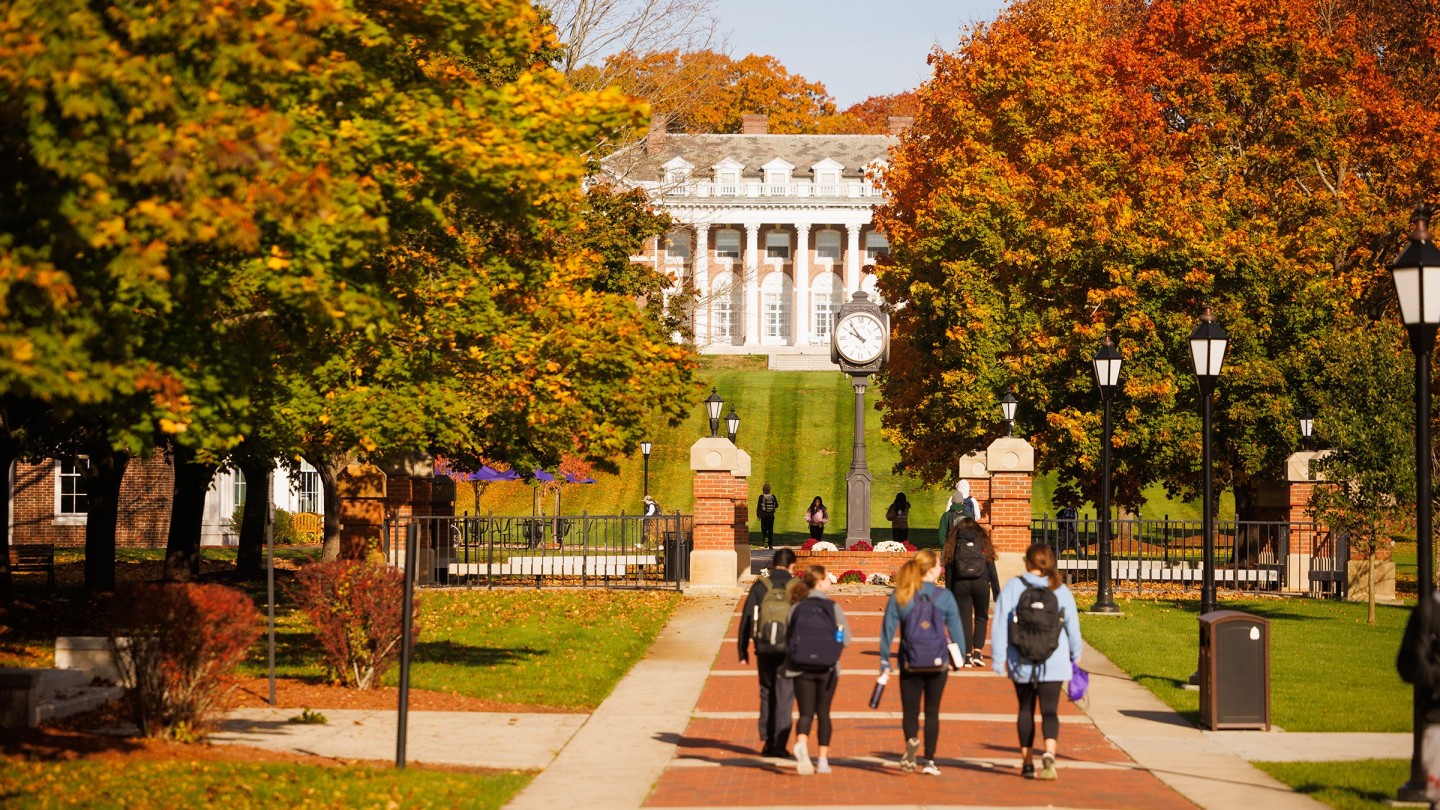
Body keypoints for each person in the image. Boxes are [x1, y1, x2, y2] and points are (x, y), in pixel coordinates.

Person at [991, 542, 1084, 781]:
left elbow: (1001, 623)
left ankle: (1026, 762)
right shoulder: (1060, 589)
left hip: (1020, 660)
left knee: (1025, 710)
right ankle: (1050, 752)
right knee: (1050, 710)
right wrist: (1075, 654)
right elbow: (1072, 626)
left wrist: (999, 658)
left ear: (1027, 562)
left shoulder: (1013, 587)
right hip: (1055, 659)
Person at [878, 549, 967, 776]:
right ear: (932, 569)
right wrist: (959, 658)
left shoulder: (903, 593)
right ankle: (929, 760)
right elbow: (957, 631)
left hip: (910, 660)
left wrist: (884, 660)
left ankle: (911, 740)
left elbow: (888, 628)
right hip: (937, 662)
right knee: (932, 711)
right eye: (939, 565)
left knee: (910, 710)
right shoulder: (944, 597)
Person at [780, 564, 850, 774]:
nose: (830, 581)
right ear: (819, 582)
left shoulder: (796, 607)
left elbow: (788, 636)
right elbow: (845, 638)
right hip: (828, 667)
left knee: (805, 712)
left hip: (801, 666)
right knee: (824, 713)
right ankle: (822, 760)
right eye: (828, 578)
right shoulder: (833, 607)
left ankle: (801, 744)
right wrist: (834, 644)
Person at [739, 548, 799, 758]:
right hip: (788, 649)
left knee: (766, 691)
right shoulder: (797, 587)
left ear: (773, 564)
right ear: (792, 566)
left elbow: (747, 617)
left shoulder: (760, 586)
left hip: (763, 646)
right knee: (785, 694)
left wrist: (742, 650)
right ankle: (779, 744)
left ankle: (766, 740)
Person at [943, 517, 1001, 666]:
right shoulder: (982, 539)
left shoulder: (955, 541)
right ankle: (978, 652)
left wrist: (948, 592)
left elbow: (949, 568)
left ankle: (967, 655)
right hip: (981, 582)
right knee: (981, 617)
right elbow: (991, 567)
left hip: (960, 584)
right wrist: (996, 592)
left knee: (965, 620)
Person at [938, 481, 980, 545]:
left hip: (951, 543)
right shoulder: (972, 501)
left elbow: (942, 533)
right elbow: (978, 516)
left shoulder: (951, 499)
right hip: (965, 545)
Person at [756, 484, 780, 549]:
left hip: (764, 516)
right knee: (770, 530)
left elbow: (759, 506)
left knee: (764, 529)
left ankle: (765, 538)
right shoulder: (773, 496)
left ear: (763, 489)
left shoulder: (761, 497)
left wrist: (758, 514)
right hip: (771, 516)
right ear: (770, 489)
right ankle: (770, 545)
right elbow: (777, 505)